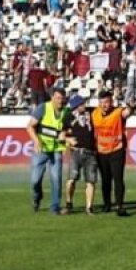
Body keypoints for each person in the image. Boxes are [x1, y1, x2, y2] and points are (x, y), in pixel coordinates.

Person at [25, 87, 75, 215]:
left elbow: (71, 129)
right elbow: (30, 126)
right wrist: (37, 141)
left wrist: (66, 133)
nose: (60, 101)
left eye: (62, 99)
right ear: (52, 97)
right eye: (58, 98)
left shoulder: (67, 112)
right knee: (35, 180)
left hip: (57, 150)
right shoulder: (43, 108)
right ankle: (37, 197)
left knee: (56, 179)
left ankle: (54, 207)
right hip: (41, 149)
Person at [92, 90, 135, 217]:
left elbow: (127, 113)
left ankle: (120, 206)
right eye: (101, 102)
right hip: (101, 151)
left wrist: (131, 107)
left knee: (118, 179)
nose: (104, 105)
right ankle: (107, 204)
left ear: (111, 102)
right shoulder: (94, 114)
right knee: (105, 180)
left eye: (106, 102)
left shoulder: (118, 112)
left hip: (117, 150)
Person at [63, 95, 100, 215]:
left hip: (91, 152)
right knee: (71, 179)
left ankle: (89, 207)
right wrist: (68, 141)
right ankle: (69, 204)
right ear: (76, 106)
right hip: (76, 152)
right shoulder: (68, 117)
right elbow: (61, 134)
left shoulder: (91, 112)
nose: (85, 105)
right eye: (82, 103)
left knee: (91, 181)